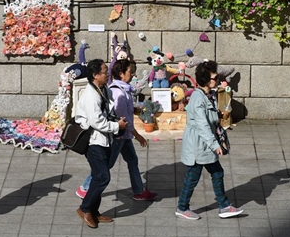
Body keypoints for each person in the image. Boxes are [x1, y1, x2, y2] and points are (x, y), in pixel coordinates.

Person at [76, 59, 157, 201]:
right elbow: (118, 118)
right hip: (118, 136)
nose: (132, 74)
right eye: (130, 71)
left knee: (132, 160)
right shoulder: (114, 93)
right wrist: (137, 135)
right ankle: (86, 189)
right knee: (106, 166)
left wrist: (134, 109)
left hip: (123, 135)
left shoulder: (115, 89)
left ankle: (138, 191)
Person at [176, 60, 243, 220]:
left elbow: (208, 119)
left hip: (204, 145)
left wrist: (218, 116)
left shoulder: (209, 94)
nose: (217, 79)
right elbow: (202, 125)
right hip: (199, 146)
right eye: (214, 77)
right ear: (206, 80)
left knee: (216, 172)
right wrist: (215, 145)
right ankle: (182, 207)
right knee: (193, 177)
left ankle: (224, 205)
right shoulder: (198, 99)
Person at [75, 59, 127, 228]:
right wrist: (116, 126)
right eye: (104, 71)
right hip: (93, 141)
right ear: (95, 75)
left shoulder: (103, 89)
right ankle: (85, 209)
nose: (107, 74)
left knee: (98, 176)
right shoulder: (90, 95)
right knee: (103, 177)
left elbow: (108, 111)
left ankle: (94, 211)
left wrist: (116, 120)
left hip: (104, 140)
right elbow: (97, 122)